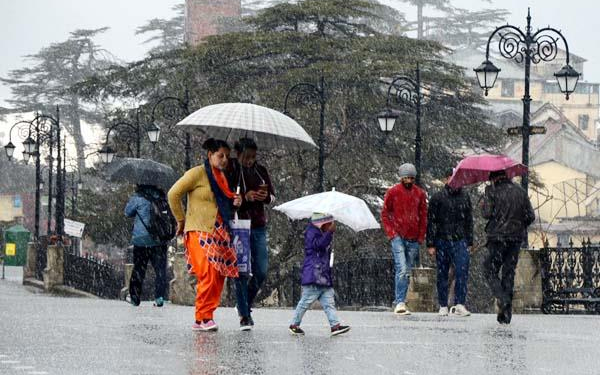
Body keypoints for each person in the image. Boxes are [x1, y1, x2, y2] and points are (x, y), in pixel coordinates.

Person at [167, 138, 242, 332]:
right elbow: (173, 194)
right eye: (220, 155)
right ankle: (201, 317)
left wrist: (236, 201)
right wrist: (181, 220)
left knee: (219, 274)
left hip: (219, 231)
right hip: (199, 229)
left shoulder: (222, 178)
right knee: (208, 272)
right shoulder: (197, 173)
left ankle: (207, 315)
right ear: (210, 155)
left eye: (227, 156)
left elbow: (223, 203)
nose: (225, 159)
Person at [226, 138, 275, 330]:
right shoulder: (232, 171)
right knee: (241, 272)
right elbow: (228, 198)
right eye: (246, 157)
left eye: (253, 157)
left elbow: (271, 196)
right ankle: (244, 316)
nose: (249, 161)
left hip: (258, 225)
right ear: (237, 155)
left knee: (261, 270)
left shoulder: (260, 171)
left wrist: (265, 197)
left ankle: (244, 302)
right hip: (239, 224)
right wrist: (244, 198)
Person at [481, 170, 535, 324]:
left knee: (489, 269)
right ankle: (506, 314)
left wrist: (485, 202)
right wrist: (518, 226)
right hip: (515, 239)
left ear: (494, 179)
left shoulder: (492, 191)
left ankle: (503, 299)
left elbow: (486, 213)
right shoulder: (520, 191)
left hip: (497, 238)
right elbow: (530, 216)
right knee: (508, 273)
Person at [288, 213, 350, 336]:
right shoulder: (312, 232)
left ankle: (335, 325)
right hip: (314, 275)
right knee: (305, 301)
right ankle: (294, 324)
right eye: (328, 224)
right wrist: (329, 233)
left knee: (329, 302)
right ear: (322, 223)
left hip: (322, 275)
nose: (331, 226)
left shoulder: (320, 232)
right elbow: (318, 245)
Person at [381, 163, 427, 315]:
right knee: (402, 269)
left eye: (411, 178)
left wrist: (420, 236)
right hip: (398, 236)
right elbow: (385, 213)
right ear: (401, 178)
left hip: (412, 237)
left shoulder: (419, 194)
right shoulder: (393, 192)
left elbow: (423, 217)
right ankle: (400, 301)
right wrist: (392, 233)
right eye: (406, 178)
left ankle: (399, 300)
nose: (409, 180)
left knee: (406, 271)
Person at [426, 169, 473, 317]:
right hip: (442, 240)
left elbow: (469, 220)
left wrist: (469, 241)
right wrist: (431, 243)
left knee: (462, 271)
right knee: (442, 273)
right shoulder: (438, 198)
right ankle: (443, 304)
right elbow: (431, 222)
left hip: (460, 240)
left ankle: (459, 303)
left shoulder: (465, 197)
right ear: (446, 179)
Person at [125, 184, 169, 307]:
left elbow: (127, 212)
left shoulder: (138, 197)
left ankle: (135, 297)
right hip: (159, 240)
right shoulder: (162, 198)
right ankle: (159, 297)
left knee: (139, 269)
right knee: (160, 270)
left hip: (141, 240)